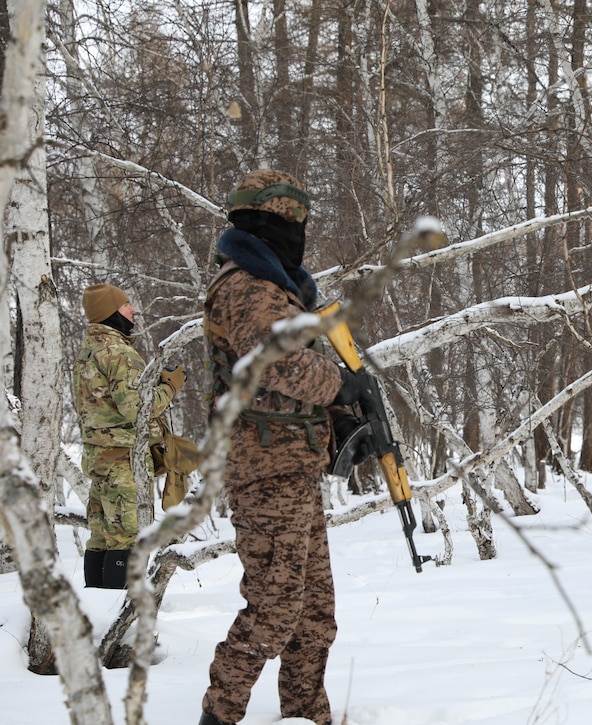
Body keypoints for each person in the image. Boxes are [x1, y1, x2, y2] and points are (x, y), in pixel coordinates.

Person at [199, 170, 372, 725]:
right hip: (262, 468)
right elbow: (273, 360)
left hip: (293, 466)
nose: (297, 232)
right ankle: (219, 714)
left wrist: (343, 419)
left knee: (315, 614)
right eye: (287, 222)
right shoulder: (246, 284)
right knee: (273, 612)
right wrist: (336, 385)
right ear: (262, 223)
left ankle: (303, 714)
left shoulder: (279, 287)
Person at [74, 284, 185, 589]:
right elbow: (136, 408)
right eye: (126, 306)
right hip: (123, 461)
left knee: (101, 535)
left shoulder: (89, 350)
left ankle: (96, 610)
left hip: (99, 458)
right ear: (111, 312)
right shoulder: (119, 352)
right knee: (127, 535)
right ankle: (117, 619)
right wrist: (171, 386)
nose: (133, 309)